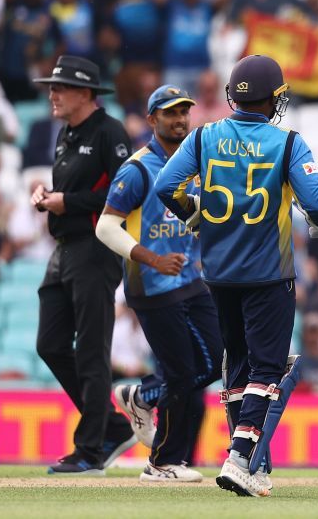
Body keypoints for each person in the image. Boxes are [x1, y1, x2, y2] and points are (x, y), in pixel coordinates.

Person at [155, 54, 318, 497]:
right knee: (268, 367)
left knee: (237, 364)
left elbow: (165, 186)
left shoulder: (203, 137)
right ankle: (239, 456)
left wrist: (194, 216)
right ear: (272, 97)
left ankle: (251, 462)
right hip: (269, 274)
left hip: (218, 274)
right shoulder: (288, 142)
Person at [95, 85, 224, 482]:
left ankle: (142, 396)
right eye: (169, 113)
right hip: (150, 285)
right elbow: (105, 227)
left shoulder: (194, 163)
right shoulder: (137, 169)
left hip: (190, 279)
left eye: (184, 112)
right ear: (152, 120)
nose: (180, 119)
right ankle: (162, 463)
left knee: (216, 361)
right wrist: (152, 258)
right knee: (182, 375)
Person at [31, 55, 136, 475]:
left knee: (92, 351)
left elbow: (125, 195)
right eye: (52, 87)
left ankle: (90, 448)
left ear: (85, 93)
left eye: (59, 87)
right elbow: (76, 188)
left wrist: (67, 202)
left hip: (96, 250)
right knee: (50, 343)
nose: (52, 94)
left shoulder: (111, 133)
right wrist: (48, 195)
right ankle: (111, 425)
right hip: (64, 249)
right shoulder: (66, 134)